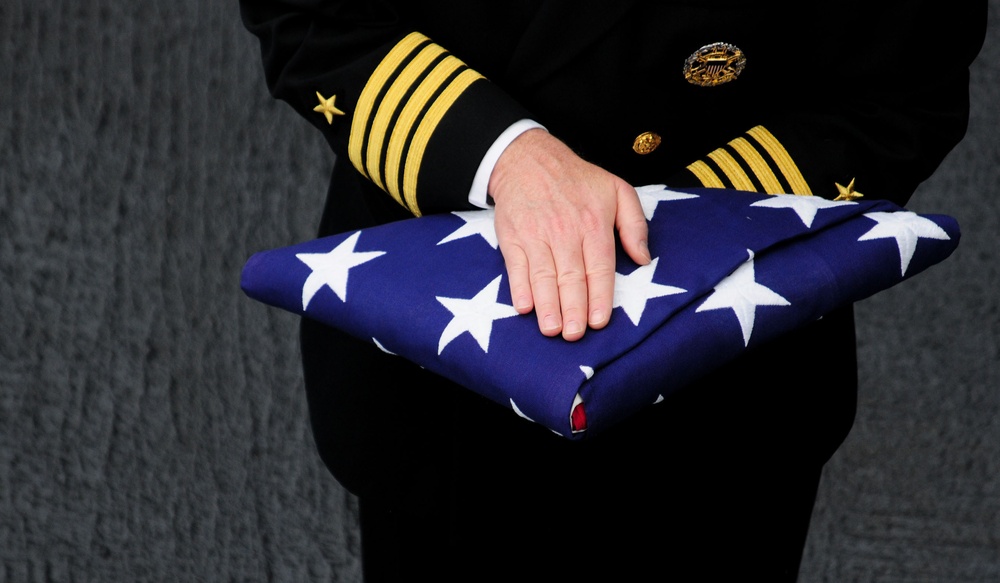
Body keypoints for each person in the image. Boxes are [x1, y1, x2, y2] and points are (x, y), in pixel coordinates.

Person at [239, 2, 986, 580]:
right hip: (447, 379)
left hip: (731, 392)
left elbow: (906, 85)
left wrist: (679, 233)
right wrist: (509, 161)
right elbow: (313, 15)